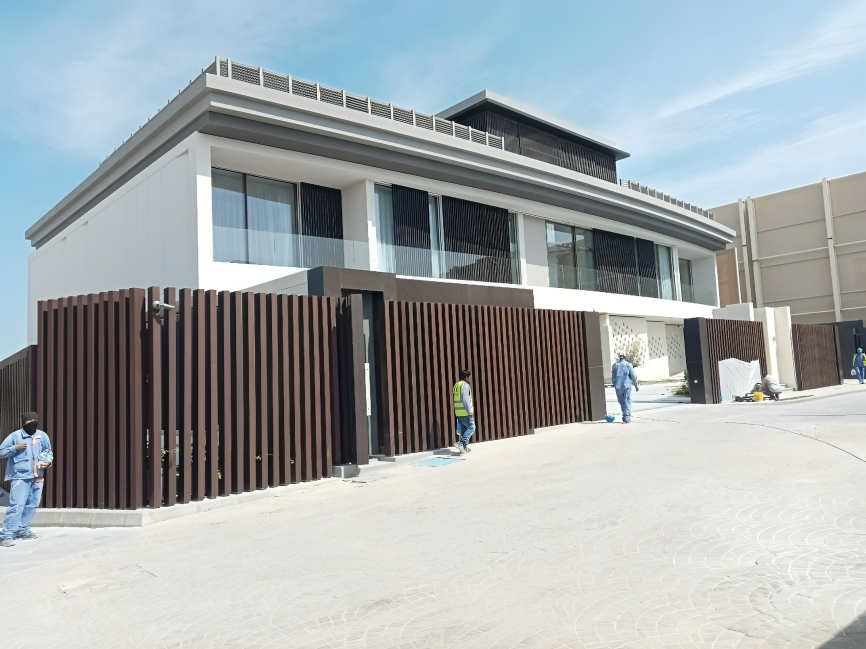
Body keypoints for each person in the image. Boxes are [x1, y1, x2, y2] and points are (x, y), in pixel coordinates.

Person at [0, 412, 53, 547]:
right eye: (30, 421)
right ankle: (6, 535)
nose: (33, 422)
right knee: (17, 506)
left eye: (35, 420)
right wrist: (14, 448)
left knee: (31, 505)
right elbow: (1, 451)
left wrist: (48, 461)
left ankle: (23, 530)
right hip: (20, 477)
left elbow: (48, 451)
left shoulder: (42, 436)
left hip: (37, 477)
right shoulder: (15, 436)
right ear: (24, 422)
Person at [612, 351, 639, 423]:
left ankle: (624, 415)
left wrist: (614, 384)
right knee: (627, 401)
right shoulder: (628, 365)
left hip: (618, 386)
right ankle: (627, 417)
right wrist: (636, 385)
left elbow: (613, 377)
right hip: (627, 386)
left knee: (621, 401)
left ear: (619, 356)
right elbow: (633, 376)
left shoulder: (615, 365)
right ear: (625, 356)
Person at [452, 369, 475, 454]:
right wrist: (469, 411)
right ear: (466, 377)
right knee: (472, 427)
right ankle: (461, 443)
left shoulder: (456, 385)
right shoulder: (465, 385)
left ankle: (464, 447)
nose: (469, 379)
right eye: (469, 377)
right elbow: (465, 399)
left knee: (464, 429)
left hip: (458, 411)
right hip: (465, 411)